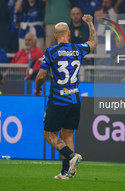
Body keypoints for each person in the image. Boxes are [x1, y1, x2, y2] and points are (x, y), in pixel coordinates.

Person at [35, 14, 98, 179]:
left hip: (58, 99)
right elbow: (93, 43)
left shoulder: (50, 52)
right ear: (69, 34)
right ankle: (66, 172)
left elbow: (41, 76)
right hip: (75, 99)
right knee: (68, 134)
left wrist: (37, 88)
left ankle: (72, 156)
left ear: (55, 35)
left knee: (49, 134)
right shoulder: (78, 49)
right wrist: (90, 24)